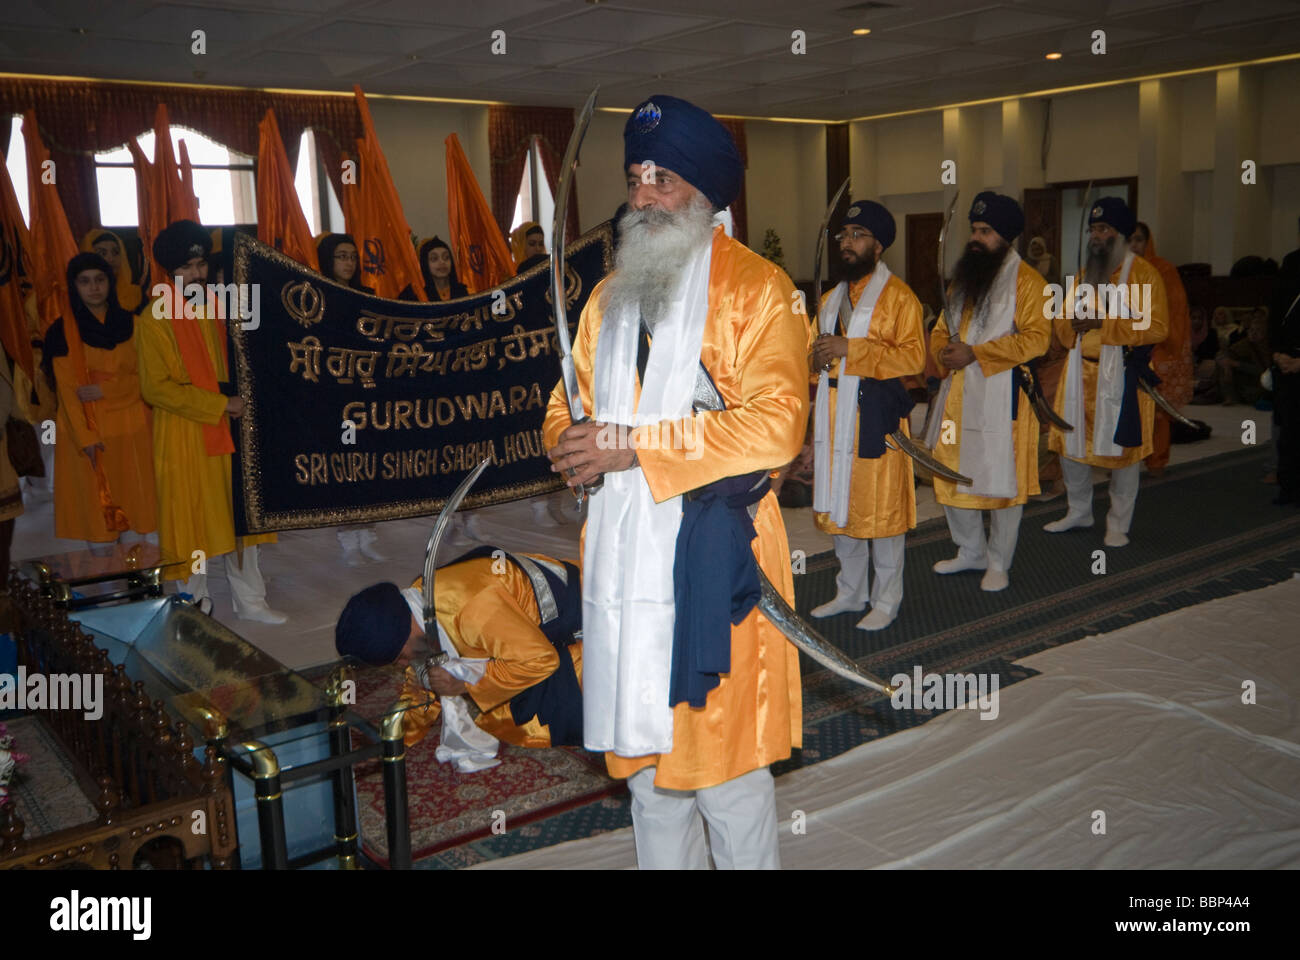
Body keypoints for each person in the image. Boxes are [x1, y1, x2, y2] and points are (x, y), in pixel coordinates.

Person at [544, 94, 807, 869]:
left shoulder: (759, 290)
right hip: (624, 561)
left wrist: (632, 447)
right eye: (634, 178)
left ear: (705, 190)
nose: (643, 196)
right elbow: (567, 401)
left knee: (725, 774)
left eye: (662, 177)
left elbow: (776, 427)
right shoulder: (608, 297)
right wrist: (566, 439)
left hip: (714, 561)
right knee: (652, 779)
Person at [136, 219, 287, 623]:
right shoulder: (155, 317)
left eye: (201, 267)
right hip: (186, 432)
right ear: (171, 271)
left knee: (242, 514)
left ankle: (251, 601)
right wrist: (220, 404)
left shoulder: (222, 307)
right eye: (187, 268)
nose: (197, 275)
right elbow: (157, 389)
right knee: (193, 523)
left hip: (233, 427)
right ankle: (192, 605)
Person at [334, 547, 583, 768]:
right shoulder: (420, 605)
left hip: (590, 623)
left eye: (399, 657)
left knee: (543, 718)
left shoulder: (474, 611)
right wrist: (387, 740)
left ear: (408, 630)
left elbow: (541, 659)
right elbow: (422, 683)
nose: (403, 665)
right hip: (526, 635)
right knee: (496, 701)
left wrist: (467, 684)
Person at [808, 199, 926, 630]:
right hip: (834, 416)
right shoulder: (829, 298)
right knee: (844, 510)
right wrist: (815, 358)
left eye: (857, 236)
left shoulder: (899, 298)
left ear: (879, 246)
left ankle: (887, 599)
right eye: (843, 236)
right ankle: (850, 592)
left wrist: (851, 350)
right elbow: (811, 353)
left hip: (877, 417)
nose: (847, 244)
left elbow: (914, 357)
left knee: (882, 512)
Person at [927, 193, 1051, 592]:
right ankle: (970, 551)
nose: (976, 238)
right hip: (958, 393)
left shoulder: (1030, 283)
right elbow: (940, 328)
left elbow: (1037, 340)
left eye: (986, 231)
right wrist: (944, 352)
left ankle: (999, 561)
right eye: (974, 230)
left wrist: (977, 354)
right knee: (953, 472)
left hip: (1005, 397)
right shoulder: (964, 279)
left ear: (1006, 237)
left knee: (1003, 479)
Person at [1044, 198, 1168, 547]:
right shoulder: (1086, 275)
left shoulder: (1144, 274)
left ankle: (1118, 523)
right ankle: (1079, 511)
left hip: (1123, 378)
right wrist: (1070, 324)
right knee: (1072, 447)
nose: (1095, 237)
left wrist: (1103, 322)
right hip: (1079, 374)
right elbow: (1063, 324)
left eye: (1103, 229)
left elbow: (1157, 327)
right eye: (1092, 230)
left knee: (1122, 455)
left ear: (1121, 234)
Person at [44, 252, 156, 547]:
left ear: (110, 282)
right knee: (99, 522)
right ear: (74, 286)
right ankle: (107, 586)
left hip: (133, 430)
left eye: (100, 280)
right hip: (91, 435)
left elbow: (150, 375)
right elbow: (67, 392)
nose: (94, 287)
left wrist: (109, 389)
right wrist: (86, 438)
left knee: (138, 517)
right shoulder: (62, 331)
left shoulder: (134, 324)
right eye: (84, 281)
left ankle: (141, 585)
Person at [1130, 222, 1192, 477]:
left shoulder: (1163, 269)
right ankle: (1128, 457)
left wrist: (1159, 338)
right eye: (1129, 239)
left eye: (1138, 240)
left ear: (1148, 242)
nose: (1133, 245)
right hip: (1125, 344)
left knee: (1156, 408)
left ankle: (1157, 460)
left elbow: (1174, 308)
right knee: (1126, 405)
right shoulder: (1118, 269)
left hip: (1157, 346)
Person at [80, 229, 144, 314]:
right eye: (102, 253)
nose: (110, 259)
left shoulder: (134, 296)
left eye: (115, 252)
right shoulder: (78, 300)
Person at [1218, 310, 1272, 405]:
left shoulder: (1268, 347)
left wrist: (1236, 364)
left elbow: (1263, 371)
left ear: (1265, 333)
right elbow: (1225, 354)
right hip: (1245, 383)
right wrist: (1227, 366)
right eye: (1251, 330)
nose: (1254, 333)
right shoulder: (1243, 345)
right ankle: (1229, 397)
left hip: (1263, 384)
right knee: (1223, 361)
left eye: (1258, 330)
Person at [398, 236, 469, 302]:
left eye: (446, 257)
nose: (442, 262)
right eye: (434, 259)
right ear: (425, 264)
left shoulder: (463, 292)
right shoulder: (416, 295)